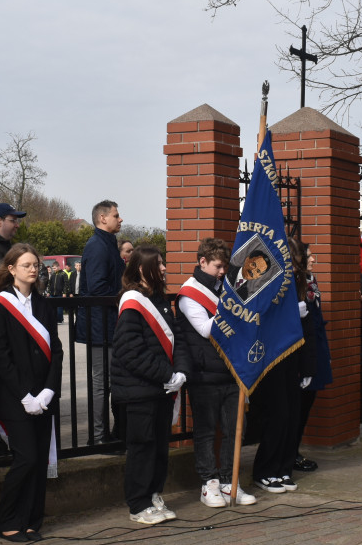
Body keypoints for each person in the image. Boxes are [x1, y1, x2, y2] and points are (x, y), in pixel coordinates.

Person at [0, 243, 63, 542]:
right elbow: (1, 356)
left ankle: (32, 520)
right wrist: (25, 395)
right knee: (26, 458)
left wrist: (49, 391)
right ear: (11, 269)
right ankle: (8, 519)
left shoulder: (44, 305)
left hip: (43, 396)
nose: (33, 269)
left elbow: (56, 351)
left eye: (36, 265)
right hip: (15, 398)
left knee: (40, 458)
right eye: (27, 265)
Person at [176, 237, 256, 508]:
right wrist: (235, 308)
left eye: (224, 267)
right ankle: (208, 483)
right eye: (218, 267)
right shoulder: (189, 294)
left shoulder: (225, 288)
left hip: (231, 370)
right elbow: (208, 329)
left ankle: (229, 480)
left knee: (235, 430)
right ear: (202, 262)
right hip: (204, 373)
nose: (223, 272)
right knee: (207, 431)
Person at [113, 245, 188, 524]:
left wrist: (180, 371)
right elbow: (130, 350)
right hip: (140, 391)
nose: (164, 268)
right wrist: (166, 375)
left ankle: (154, 493)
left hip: (161, 389)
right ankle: (138, 504)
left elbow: (176, 339)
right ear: (142, 269)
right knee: (142, 447)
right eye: (158, 264)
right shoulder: (132, 301)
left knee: (159, 447)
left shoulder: (158, 299)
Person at [252, 238, 315, 493]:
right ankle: (265, 470)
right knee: (276, 416)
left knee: (291, 416)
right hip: (273, 356)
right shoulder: (269, 279)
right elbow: (260, 314)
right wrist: (290, 313)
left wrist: (308, 366)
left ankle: (283, 469)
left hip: (293, 356)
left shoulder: (300, 281)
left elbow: (309, 329)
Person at [77, 200, 126, 445]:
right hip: (100, 326)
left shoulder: (106, 244)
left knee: (109, 382)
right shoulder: (97, 246)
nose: (121, 219)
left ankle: (109, 434)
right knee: (100, 383)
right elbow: (97, 288)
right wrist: (124, 295)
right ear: (103, 218)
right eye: (116, 215)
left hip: (107, 324)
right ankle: (98, 437)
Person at [295, 244, 333, 473]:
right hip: (303, 352)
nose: (312, 259)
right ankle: (291, 453)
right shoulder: (296, 284)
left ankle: (294, 450)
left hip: (316, 347)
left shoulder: (310, 280)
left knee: (307, 404)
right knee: (298, 406)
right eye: (308, 256)